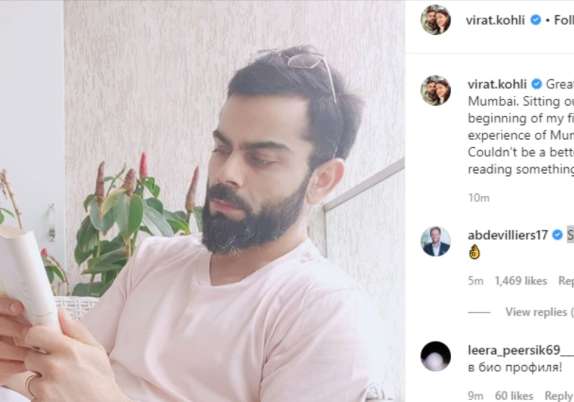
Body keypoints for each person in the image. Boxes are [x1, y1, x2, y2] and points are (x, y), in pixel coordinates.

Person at [0, 45, 389, 402]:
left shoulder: (326, 312)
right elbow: (59, 377)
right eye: (222, 148)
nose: (226, 172)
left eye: (260, 159)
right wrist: (17, 360)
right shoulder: (154, 259)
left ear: (323, 179)